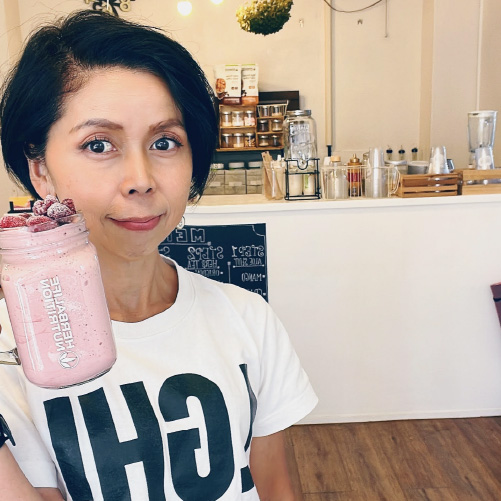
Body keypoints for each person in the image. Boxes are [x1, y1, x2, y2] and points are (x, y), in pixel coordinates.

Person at [0, 10, 317, 501]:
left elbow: (274, 485)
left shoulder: (247, 319)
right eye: (99, 145)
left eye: (165, 142)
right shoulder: (14, 353)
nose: (141, 179)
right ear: (40, 169)